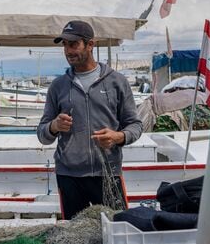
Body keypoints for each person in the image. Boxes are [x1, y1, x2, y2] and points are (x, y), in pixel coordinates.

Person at [37, 20, 143, 220]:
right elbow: (42, 134)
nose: (68, 50)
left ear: (90, 45)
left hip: (108, 174)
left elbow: (136, 125)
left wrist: (118, 136)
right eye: (65, 45)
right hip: (69, 176)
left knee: (116, 229)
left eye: (74, 44)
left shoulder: (117, 82)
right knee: (75, 235)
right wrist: (54, 126)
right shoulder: (58, 87)